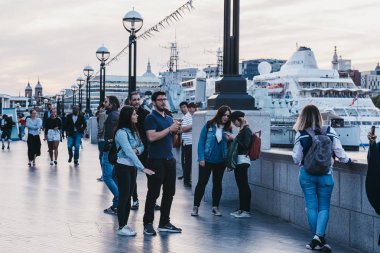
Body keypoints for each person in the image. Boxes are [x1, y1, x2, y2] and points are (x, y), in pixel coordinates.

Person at [292, 104, 352, 252]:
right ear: (319, 116)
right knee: (324, 207)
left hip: (307, 175)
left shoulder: (301, 133)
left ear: (303, 117)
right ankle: (319, 239)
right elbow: (339, 151)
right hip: (326, 175)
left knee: (311, 207)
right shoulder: (330, 131)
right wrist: (348, 161)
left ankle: (317, 239)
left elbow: (296, 158)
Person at [143, 91, 182, 236]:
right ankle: (147, 224)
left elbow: (173, 140)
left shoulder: (170, 118)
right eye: (160, 99)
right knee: (153, 193)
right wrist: (169, 129)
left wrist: (176, 131)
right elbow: (151, 137)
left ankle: (164, 222)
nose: (163, 102)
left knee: (169, 192)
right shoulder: (150, 117)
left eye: (164, 99)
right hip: (155, 160)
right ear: (154, 102)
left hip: (169, 159)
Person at [114, 106, 155, 236]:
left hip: (131, 167)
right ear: (128, 117)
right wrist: (142, 167)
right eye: (134, 114)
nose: (136, 116)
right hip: (123, 167)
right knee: (124, 197)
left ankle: (125, 225)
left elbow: (142, 146)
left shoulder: (133, 131)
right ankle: (121, 227)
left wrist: (136, 151)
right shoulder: (121, 133)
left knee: (128, 197)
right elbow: (129, 153)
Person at [191, 105, 232, 217]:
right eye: (224, 115)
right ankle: (196, 206)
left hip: (221, 161)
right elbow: (201, 142)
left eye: (228, 116)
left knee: (217, 184)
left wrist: (231, 140)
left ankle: (215, 207)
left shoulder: (228, 128)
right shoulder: (209, 125)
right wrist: (201, 158)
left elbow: (230, 147)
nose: (226, 118)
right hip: (207, 160)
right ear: (220, 114)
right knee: (202, 183)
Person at [128, 91, 159, 211]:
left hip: (146, 150)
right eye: (134, 99)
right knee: (132, 177)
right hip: (132, 150)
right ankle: (135, 200)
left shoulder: (146, 114)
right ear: (130, 101)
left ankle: (152, 201)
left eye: (138, 99)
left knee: (151, 176)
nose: (136, 101)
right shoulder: (127, 114)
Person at [226, 111, 253, 218]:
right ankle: (242, 209)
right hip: (240, 161)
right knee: (241, 186)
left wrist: (234, 138)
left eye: (234, 121)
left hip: (242, 161)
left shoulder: (246, 130)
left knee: (244, 186)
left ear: (238, 120)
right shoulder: (243, 130)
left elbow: (245, 145)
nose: (234, 124)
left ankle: (245, 210)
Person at [102, 95, 120, 215]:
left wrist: (107, 146)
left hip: (109, 150)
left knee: (107, 177)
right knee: (113, 177)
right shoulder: (116, 115)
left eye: (106, 102)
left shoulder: (112, 116)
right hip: (114, 149)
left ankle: (120, 199)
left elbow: (111, 135)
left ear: (112, 104)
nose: (104, 104)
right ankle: (116, 205)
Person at [179, 101, 193, 187]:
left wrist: (183, 128)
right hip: (186, 143)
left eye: (184, 107)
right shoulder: (185, 117)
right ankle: (186, 179)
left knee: (187, 163)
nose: (183, 109)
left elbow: (183, 129)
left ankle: (187, 180)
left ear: (187, 107)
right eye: (181, 107)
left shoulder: (189, 116)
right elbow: (182, 129)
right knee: (186, 162)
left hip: (189, 143)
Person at [96, 104, 107, 181]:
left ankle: (104, 175)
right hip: (109, 139)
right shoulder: (110, 114)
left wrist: (98, 136)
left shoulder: (102, 115)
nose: (101, 109)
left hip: (102, 139)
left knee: (101, 157)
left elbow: (101, 128)